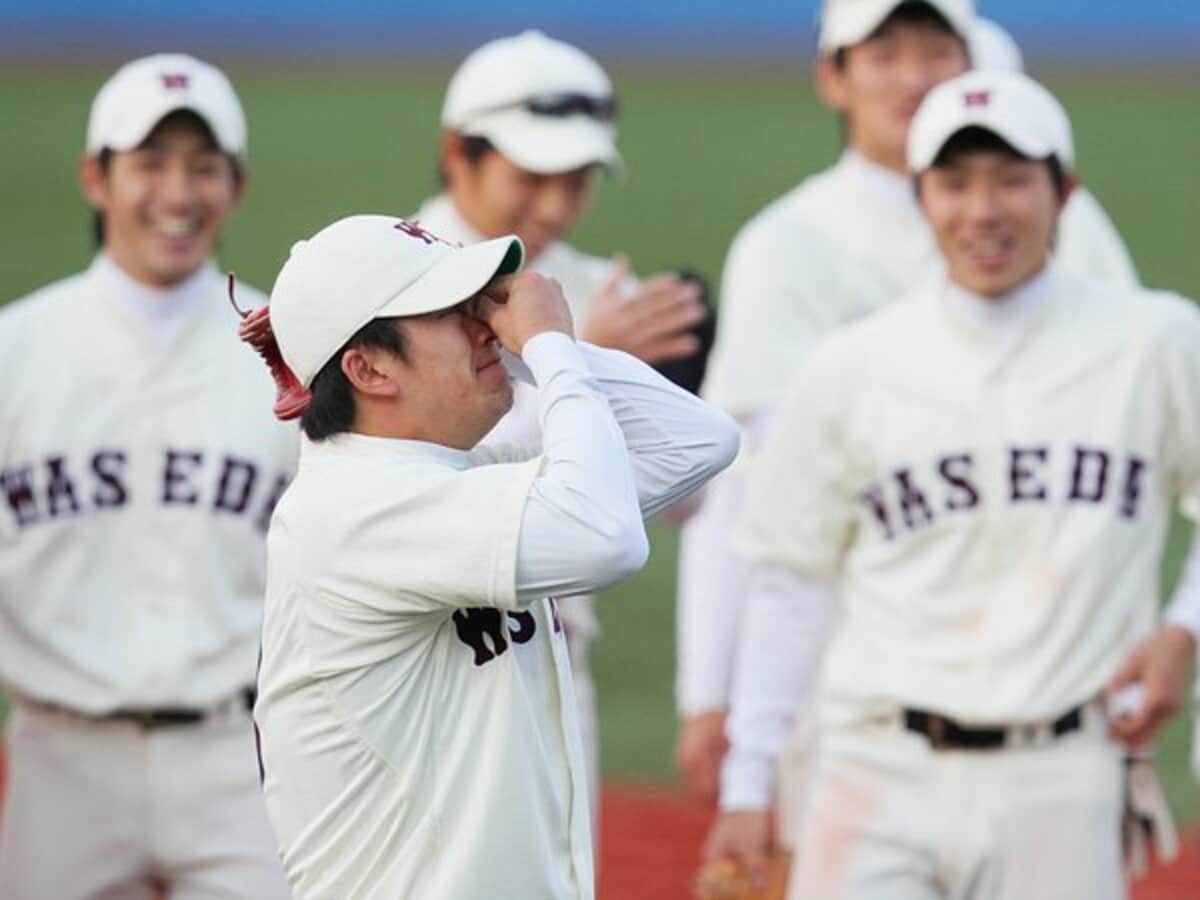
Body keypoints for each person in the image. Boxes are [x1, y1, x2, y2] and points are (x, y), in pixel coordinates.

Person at [714, 68, 1199, 899]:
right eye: (954, 182)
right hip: (874, 769)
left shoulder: (1155, 342)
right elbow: (789, 581)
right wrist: (748, 784)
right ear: (918, 196)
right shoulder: (848, 368)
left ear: (1066, 192)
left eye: (1012, 180)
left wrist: (1183, 630)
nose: (983, 211)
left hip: (1063, 776)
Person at [676, 0, 1139, 818]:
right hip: (854, 682)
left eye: (936, 49)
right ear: (834, 76)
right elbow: (757, 495)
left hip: (1048, 673)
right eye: (884, 53)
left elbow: (1125, 439)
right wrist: (713, 691)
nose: (915, 76)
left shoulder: (1069, 223)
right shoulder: (789, 244)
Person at [250, 214, 738, 899]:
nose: (487, 322)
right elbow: (609, 537)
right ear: (367, 367)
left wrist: (522, 349)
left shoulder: (453, 481)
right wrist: (546, 346)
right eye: (452, 312)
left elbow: (700, 440)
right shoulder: (352, 511)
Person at [0, 54, 295, 898]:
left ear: (235, 187)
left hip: (246, 757)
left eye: (204, 168)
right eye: (151, 165)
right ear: (96, 178)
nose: (178, 194)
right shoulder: (15, 353)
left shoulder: (298, 353)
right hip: (63, 761)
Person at [414, 29, 710, 814]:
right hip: (412, 657)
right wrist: (578, 362)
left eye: (577, 179)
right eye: (533, 173)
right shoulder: (378, 286)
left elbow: (683, 504)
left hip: (553, 655)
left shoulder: (595, 287)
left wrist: (673, 387)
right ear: (457, 153)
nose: (554, 205)